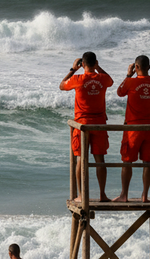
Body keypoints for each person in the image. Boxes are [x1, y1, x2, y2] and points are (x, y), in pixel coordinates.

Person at [59, 51, 114, 202]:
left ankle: (82, 195)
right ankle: (102, 195)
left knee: (80, 160)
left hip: (82, 125)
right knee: (100, 160)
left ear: (82, 64)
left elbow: (62, 86)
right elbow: (111, 81)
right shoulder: (102, 78)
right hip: (99, 124)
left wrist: (73, 69)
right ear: (95, 63)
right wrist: (98, 68)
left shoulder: (77, 79)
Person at [113, 55, 150, 203]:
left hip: (133, 128)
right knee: (148, 162)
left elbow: (120, 92)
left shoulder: (131, 82)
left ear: (136, 67)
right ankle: (145, 195)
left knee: (127, 161)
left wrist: (128, 75)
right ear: (149, 67)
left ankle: (124, 195)